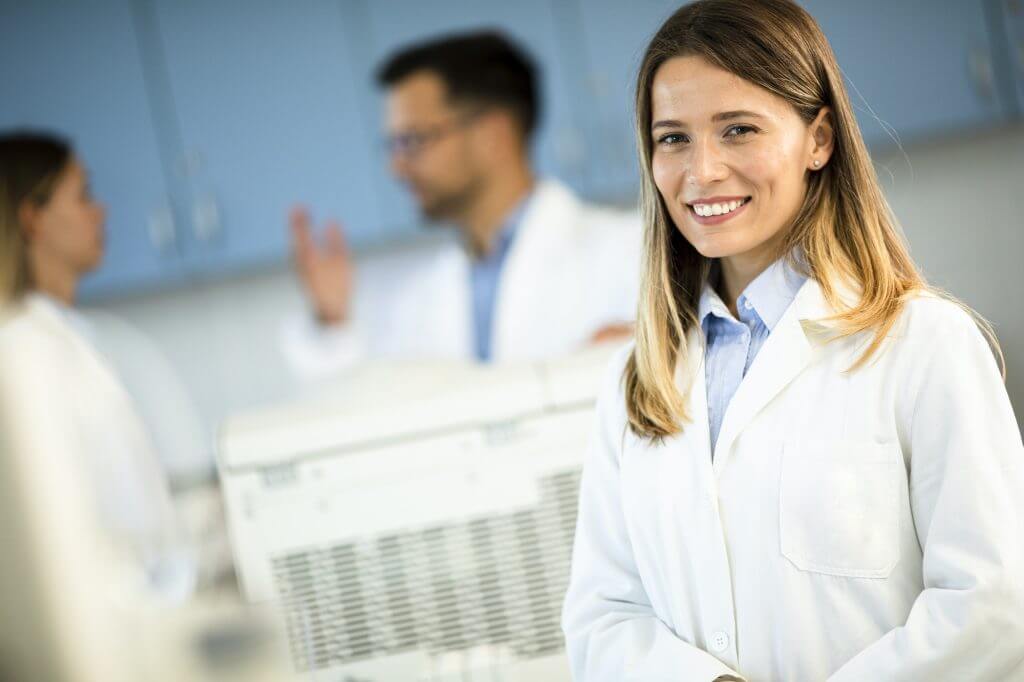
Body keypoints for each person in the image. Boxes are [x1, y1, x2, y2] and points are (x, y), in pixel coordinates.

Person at [561, 1, 1024, 681]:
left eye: (738, 129)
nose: (703, 171)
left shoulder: (925, 344)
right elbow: (605, 616)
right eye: (672, 138)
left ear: (820, 139)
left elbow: (994, 608)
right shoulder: (637, 382)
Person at [282, 31, 640, 378]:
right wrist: (332, 321)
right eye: (393, 145)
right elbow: (375, 407)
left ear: (492, 135)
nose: (396, 166)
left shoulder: (630, 251)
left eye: (413, 140)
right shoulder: (422, 300)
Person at [0, 131, 196, 598]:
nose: (101, 210)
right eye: (84, 194)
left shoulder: (63, 340)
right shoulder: (25, 355)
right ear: (33, 219)